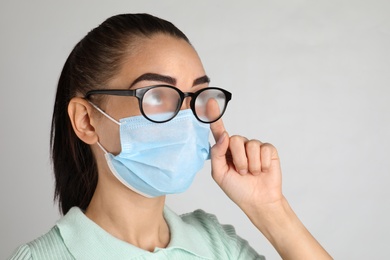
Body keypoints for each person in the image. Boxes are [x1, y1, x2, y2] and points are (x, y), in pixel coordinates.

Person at [9, 13, 332, 259]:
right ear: (87, 121)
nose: (186, 115)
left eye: (198, 96)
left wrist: (270, 208)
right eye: (157, 95)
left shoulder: (216, 245)